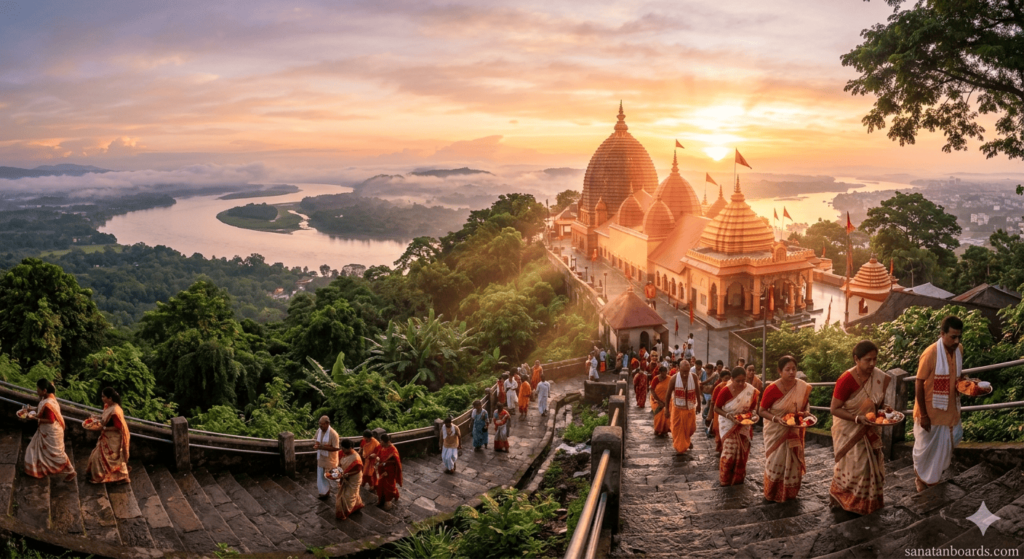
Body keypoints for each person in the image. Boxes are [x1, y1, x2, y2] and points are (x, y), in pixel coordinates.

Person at [829, 340, 891, 516]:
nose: (872, 364)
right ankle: (846, 499)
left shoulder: (877, 376)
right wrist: (857, 418)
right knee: (856, 466)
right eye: (867, 360)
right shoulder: (846, 380)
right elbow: (834, 408)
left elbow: (875, 402)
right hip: (849, 430)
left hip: (869, 429)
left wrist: (885, 408)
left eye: (875, 359)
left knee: (870, 468)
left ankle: (867, 502)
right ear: (856, 359)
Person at [913, 315, 965, 493]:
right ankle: (920, 478)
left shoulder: (959, 350)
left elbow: (956, 375)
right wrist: (924, 415)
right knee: (925, 450)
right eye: (953, 337)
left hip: (950, 409)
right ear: (942, 334)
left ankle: (933, 477)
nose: (956, 341)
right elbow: (919, 382)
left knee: (951, 440)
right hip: (931, 410)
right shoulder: (931, 353)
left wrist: (968, 384)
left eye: (959, 337)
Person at [759, 356, 812, 502]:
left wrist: (806, 412)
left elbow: (805, 404)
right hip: (776, 430)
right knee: (776, 460)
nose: (791, 372)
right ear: (780, 371)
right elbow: (762, 410)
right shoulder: (772, 389)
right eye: (787, 369)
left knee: (793, 460)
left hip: (794, 428)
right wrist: (777, 419)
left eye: (794, 369)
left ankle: (790, 493)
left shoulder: (802, 386)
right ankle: (772, 492)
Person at [715, 367, 761, 486]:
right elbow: (716, 408)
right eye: (738, 381)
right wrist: (729, 416)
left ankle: (738, 478)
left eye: (743, 380)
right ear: (731, 379)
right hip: (728, 424)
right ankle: (725, 479)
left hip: (744, 424)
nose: (741, 383)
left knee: (742, 452)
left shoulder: (751, 390)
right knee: (729, 453)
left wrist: (754, 415)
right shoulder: (725, 390)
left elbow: (753, 408)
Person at [24, 379, 75, 482]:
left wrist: (34, 418)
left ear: (44, 390)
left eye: (38, 389)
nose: (36, 391)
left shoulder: (48, 403)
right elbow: (40, 407)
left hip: (51, 431)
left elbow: (50, 420)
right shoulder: (47, 397)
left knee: (56, 454)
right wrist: (30, 409)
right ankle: (38, 470)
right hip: (45, 431)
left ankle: (71, 471)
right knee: (33, 449)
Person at [86, 387, 131, 484]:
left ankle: (121, 477)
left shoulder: (115, 410)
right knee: (97, 456)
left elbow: (118, 427)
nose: (102, 398)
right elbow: (105, 419)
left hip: (112, 438)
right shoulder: (108, 407)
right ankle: (100, 475)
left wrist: (103, 428)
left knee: (108, 458)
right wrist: (96, 419)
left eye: (103, 397)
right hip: (106, 437)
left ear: (110, 398)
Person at [667, 363, 701, 454]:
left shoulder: (693, 377)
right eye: (683, 371)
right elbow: (668, 394)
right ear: (678, 369)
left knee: (691, 428)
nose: (685, 374)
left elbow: (697, 390)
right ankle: (681, 447)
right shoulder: (674, 378)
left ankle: (686, 440)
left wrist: (699, 404)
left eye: (687, 371)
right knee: (677, 429)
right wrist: (666, 409)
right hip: (678, 408)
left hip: (690, 408)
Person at [334, 439, 364, 520]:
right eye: (342, 448)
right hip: (345, 476)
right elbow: (339, 464)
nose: (342, 450)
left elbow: (358, 469)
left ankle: (346, 511)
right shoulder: (343, 453)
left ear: (350, 448)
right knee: (352, 493)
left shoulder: (356, 458)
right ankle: (357, 505)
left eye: (345, 448)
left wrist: (347, 474)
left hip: (354, 478)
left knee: (348, 496)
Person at [312, 415, 340, 499]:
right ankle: (324, 492)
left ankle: (340, 491)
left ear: (327, 424)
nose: (320, 427)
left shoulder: (333, 434)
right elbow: (316, 440)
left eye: (322, 425)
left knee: (330, 477)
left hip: (330, 460)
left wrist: (322, 447)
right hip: (321, 458)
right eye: (319, 425)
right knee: (320, 476)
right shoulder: (319, 431)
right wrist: (317, 445)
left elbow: (336, 448)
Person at [374, 433, 402, 511]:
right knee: (381, 484)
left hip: (390, 471)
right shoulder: (382, 447)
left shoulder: (393, 450)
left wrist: (385, 464)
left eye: (381, 441)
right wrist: (377, 459)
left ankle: (388, 500)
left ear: (384, 441)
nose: (380, 442)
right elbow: (379, 454)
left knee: (389, 486)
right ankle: (382, 499)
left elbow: (395, 462)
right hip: (381, 469)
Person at [650, 366, 671, 437]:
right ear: (660, 373)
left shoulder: (669, 379)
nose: (665, 375)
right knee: (658, 416)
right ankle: (657, 429)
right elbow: (652, 389)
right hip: (656, 400)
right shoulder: (656, 379)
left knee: (666, 415)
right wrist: (658, 401)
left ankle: (664, 430)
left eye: (666, 373)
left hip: (667, 401)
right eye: (663, 373)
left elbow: (671, 389)